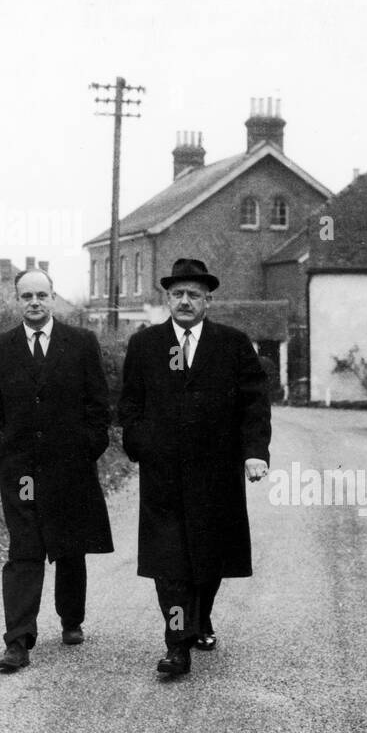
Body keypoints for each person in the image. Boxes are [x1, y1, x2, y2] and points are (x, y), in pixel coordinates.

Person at [118, 257, 271, 679]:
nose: (185, 301)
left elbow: (254, 404)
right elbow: (129, 404)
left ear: (208, 300)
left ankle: (201, 616)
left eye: (194, 295)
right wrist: (140, 444)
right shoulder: (146, 345)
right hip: (162, 474)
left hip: (216, 472)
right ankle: (177, 645)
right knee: (169, 562)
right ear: (167, 298)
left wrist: (254, 452)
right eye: (178, 294)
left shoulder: (233, 344)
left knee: (209, 557)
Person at [0, 266, 113, 672]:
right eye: (26, 296)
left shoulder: (81, 343)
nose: (34, 303)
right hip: (20, 470)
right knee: (25, 546)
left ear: (53, 298)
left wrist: (89, 446)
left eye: (41, 295)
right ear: (17, 301)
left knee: (69, 542)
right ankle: (18, 640)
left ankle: (71, 619)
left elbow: (98, 404)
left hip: (69, 464)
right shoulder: (0, 347)